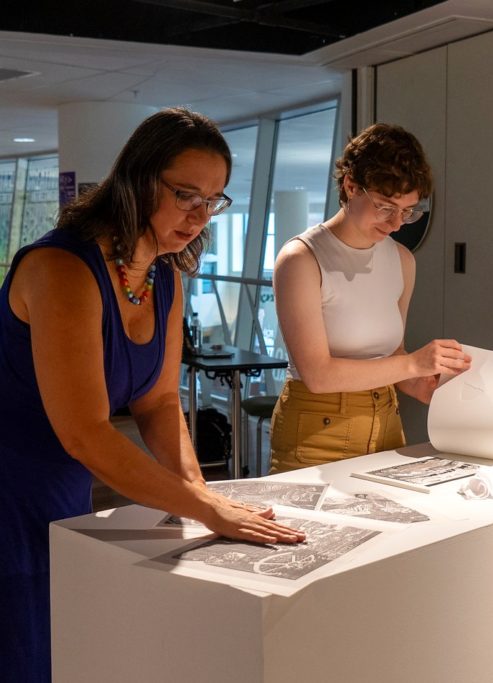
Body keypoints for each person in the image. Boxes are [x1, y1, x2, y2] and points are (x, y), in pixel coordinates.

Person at [0, 108, 305, 683]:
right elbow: (85, 431)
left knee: (64, 642)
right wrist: (209, 509)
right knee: (23, 647)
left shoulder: (165, 275)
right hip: (9, 488)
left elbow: (160, 402)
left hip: (62, 486)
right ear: (138, 180)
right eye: (186, 194)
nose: (199, 216)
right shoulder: (62, 268)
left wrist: (195, 492)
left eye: (213, 200)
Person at [270, 123, 470, 473]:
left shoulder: (402, 260)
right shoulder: (301, 259)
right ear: (351, 186)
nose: (396, 224)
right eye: (385, 207)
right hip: (317, 430)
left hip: (386, 421)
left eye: (408, 211)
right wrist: (413, 364)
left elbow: (391, 354)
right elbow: (317, 375)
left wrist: (424, 385)